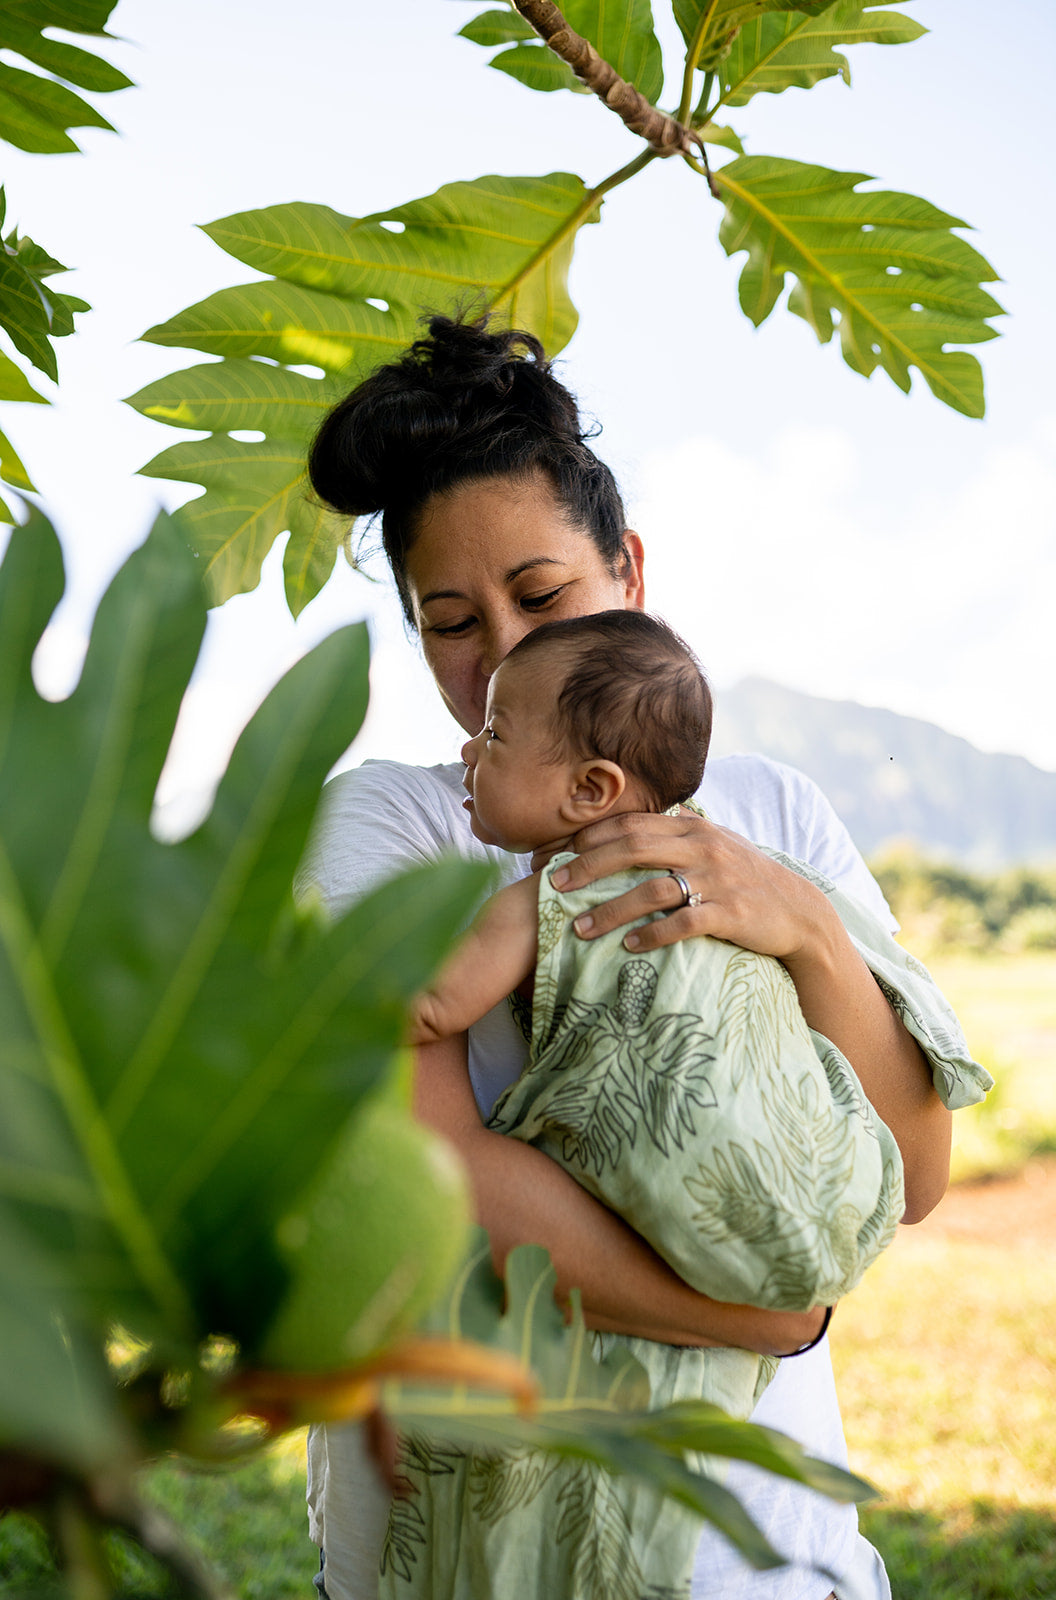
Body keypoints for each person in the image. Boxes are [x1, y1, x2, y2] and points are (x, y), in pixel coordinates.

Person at [296, 314, 991, 1600]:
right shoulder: (388, 821)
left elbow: (908, 1172)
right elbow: (427, 1171)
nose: (499, 647)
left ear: (626, 566)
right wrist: (763, 1316)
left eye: (541, 594)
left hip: (755, 1556)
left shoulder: (771, 810)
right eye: (448, 620)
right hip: (463, 1554)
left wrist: (800, 923)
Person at [393, 607, 978, 1599]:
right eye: (448, 618)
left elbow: (433, 1005)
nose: (469, 748)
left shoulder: (546, 894)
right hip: (814, 1202)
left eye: (494, 737)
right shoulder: (731, 867)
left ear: (589, 789)